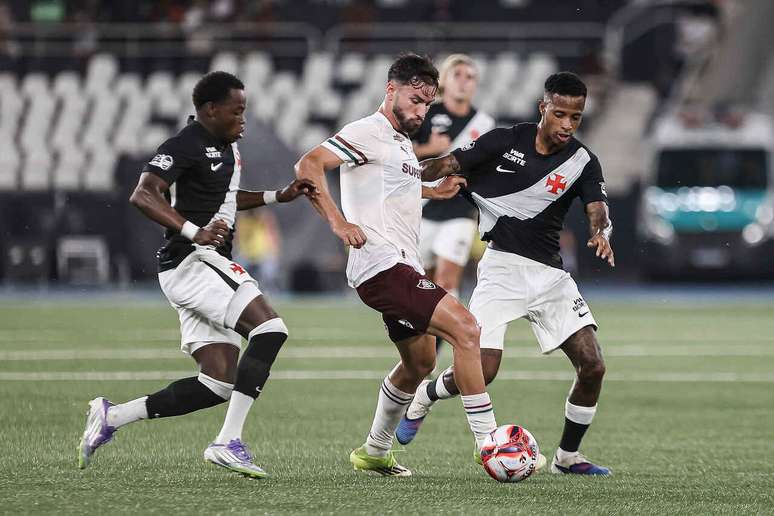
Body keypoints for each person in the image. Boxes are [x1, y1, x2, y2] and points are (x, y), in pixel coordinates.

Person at [77, 71, 316, 478]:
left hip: (193, 265)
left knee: (218, 382)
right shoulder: (185, 144)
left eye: (244, 110)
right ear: (210, 110)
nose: (243, 119)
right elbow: (143, 193)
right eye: (236, 111)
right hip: (193, 259)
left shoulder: (227, 148)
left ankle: (112, 416)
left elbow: (227, 199)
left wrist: (278, 195)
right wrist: (193, 231)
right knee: (270, 330)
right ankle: (227, 442)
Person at [397, 71, 614, 476]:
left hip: (550, 277)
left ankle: (567, 457)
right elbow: (446, 163)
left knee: (593, 365)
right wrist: (404, 173)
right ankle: (426, 395)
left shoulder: (583, 161)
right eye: (560, 114)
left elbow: (598, 209)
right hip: (501, 269)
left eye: (576, 117)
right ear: (543, 108)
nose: (568, 124)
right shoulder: (504, 141)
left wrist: (602, 233)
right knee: (484, 370)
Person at [295, 53, 498, 477]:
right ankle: (490, 445)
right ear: (391, 90)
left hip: (401, 264)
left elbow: (387, 186)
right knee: (466, 329)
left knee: (420, 363)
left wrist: (432, 191)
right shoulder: (367, 131)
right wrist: (338, 222)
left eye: (427, 104)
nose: (421, 111)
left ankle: (374, 450)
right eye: (415, 100)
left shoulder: (401, 141)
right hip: (382, 264)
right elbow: (307, 165)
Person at [414, 54, 495, 346]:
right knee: (423, 284)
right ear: (444, 81)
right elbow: (396, 154)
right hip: (421, 207)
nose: (463, 82)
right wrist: (428, 148)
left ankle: (437, 348)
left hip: (459, 210)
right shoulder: (425, 113)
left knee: (447, 281)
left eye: (469, 77)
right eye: (457, 75)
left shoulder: (484, 124)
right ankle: (422, 352)